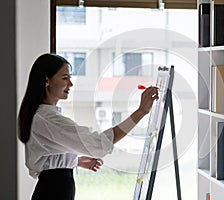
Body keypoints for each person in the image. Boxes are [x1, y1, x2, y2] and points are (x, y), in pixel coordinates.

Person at [18, 53, 159, 200]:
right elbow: (99, 143)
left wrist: (74, 161)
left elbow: (45, 158)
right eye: (65, 78)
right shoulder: (47, 119)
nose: (71, 84)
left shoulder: (42, 116)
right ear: (46, 80)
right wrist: (141, 112)